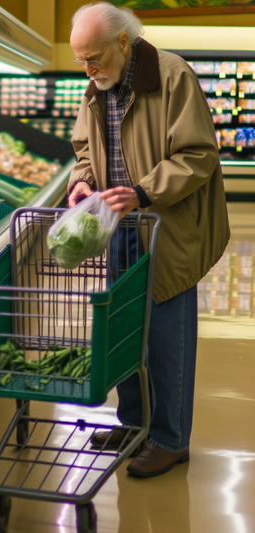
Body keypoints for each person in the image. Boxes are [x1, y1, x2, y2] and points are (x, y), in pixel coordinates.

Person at [68, 2, 230, 478]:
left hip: (168, 226)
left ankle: (170, 439)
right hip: (119, 224)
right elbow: (84, 148)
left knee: (165, 337)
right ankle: (134, 422)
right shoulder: (97, 83)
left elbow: (199, 155)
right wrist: (82, 182)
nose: (87, 68)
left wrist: (143, 192)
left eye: (93, 57)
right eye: (80, 60)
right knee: (125, 329)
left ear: (123, 42)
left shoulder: (171, 75)